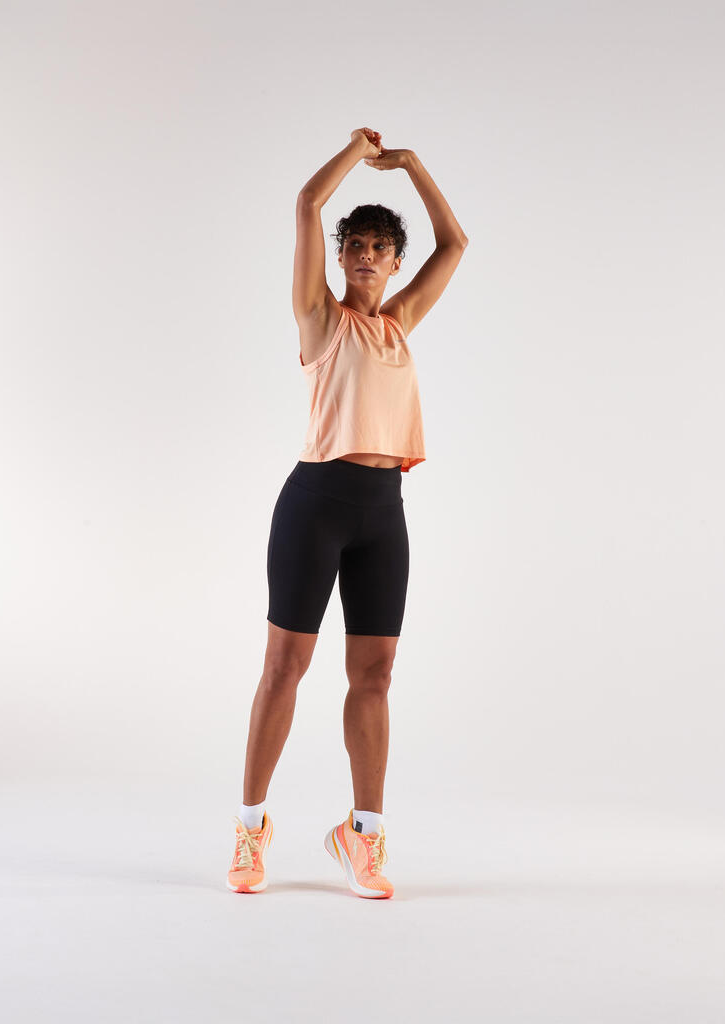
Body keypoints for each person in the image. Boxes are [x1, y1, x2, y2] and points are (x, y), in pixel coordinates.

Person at [227, 127, 469, 898]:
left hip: (382, 515)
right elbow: (307, 201)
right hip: (315, 506)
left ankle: (362, 836)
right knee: (284, 667)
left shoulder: (398, 325)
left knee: (376, 674)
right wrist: (355, 153)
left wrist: (414, 166)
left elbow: (456, 244)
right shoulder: (320, 319)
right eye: (355, 245)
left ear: (395, 263)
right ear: (339, 258)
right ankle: (250, 829)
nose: (366, 255)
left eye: (380, 248)